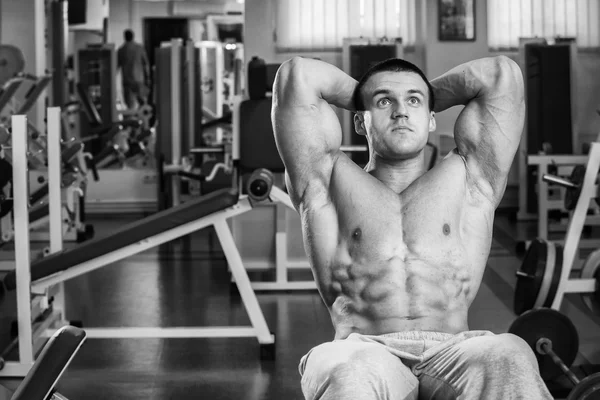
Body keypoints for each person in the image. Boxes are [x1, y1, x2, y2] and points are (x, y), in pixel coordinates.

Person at [271, 56, 553, 399]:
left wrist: (416, 95)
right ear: (360, 122)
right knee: (350, 369)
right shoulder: (326, 181)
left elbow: (500, 75)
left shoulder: (470, 178)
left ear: (432, 119)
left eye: (414, 102)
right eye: (385, 101)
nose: (401, 111)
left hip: (454, 350)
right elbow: (297, 76)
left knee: (509, 352)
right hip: (363, 347)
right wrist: (370, 95)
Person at [117, 29, 150, 110]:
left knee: (130, 108)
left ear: (124, 37)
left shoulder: (121, 50)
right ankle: (142, 121)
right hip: (139, 80)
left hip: (127, 82)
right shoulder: (139, 48)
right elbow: (146, 64)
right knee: (143, 107)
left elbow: (116, 67)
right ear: (133, 37)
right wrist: (148, 78)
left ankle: (132, 121)